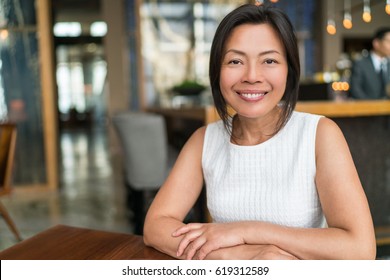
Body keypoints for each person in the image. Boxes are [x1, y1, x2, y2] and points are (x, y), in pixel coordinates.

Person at [143, 3, 376, 260]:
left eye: (269, 60)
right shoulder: (204, 140)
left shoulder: (319, 134)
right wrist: (240, 256)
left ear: (289, 69)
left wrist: (248, 231)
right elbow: (156, 226)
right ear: (216, 71)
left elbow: (359, 249)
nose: (252, 76)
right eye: (235, 61)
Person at [350, 27, 390, 99]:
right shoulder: (360, 64)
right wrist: (371, 106)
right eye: (389, 41)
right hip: (367, 108)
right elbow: (355, 90)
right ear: (376, 43)